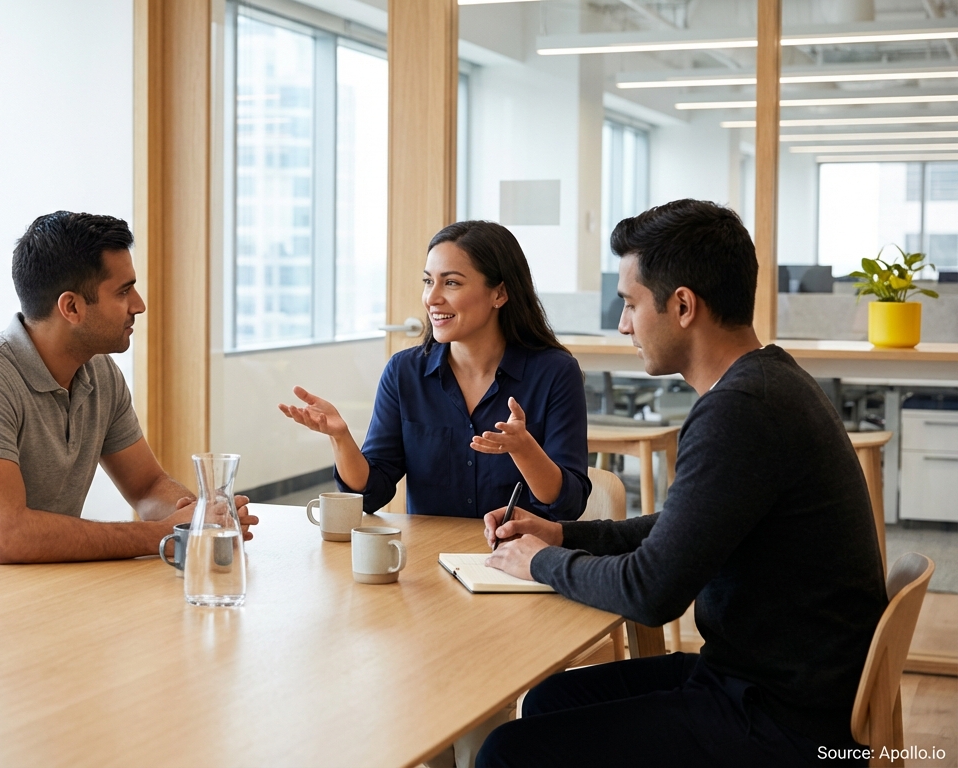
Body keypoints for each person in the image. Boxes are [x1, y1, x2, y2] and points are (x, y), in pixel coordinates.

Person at [478, 200, 888, 767]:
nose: (623, 324)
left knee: (507, 752)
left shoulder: (742, 409)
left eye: (630, 304)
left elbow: (651, 594)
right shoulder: (766, 381)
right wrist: (560, 535)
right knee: (551, 700)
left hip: (785, 723)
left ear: (683, 306)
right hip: (772, 684)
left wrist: (538, 563)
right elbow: (682, 529)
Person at [0, 211, 257, 591]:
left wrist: (205, 518)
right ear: (71, 308)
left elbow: (147, 487)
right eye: (124, 291)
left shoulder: (100, 373)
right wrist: (163, 535)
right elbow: (7, 535)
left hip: (29, 592)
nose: (139, 305)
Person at [279, 220, 590, 521]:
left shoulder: (556, 373)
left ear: (499, 294)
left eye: (451, 282)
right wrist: (341, 438)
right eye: (429, 281)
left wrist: (524, 450)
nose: (432, 298)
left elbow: (568, 505)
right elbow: (371, 495)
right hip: (429, 555)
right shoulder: (404, 372)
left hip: (519, 558)